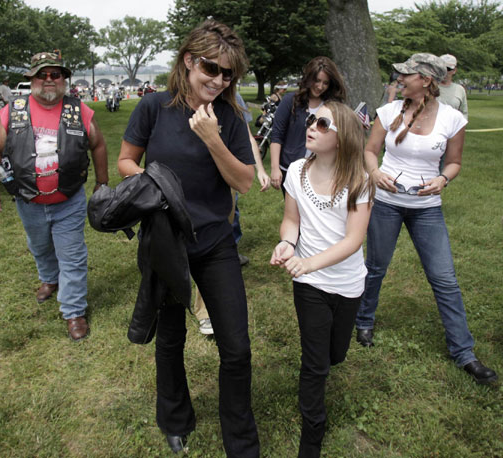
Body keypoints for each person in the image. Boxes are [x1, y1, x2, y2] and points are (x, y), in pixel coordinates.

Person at [118, 19, 260, 456]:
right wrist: (152, 186)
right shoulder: (153, 108)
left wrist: (213, 139)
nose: (218, 80)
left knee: (236, 347)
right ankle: (175, 419)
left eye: (228, 74)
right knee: (171, 338)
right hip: (165, 241)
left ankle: (240, 440)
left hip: (215, 241)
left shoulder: (231, 117)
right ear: (188, 61)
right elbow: (126, 160)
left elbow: (244, 183)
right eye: (210, 68)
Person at [354, 53, 497, 385]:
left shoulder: (451, 119)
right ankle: (364, 320)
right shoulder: (389, 111)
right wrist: (374, 173)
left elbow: (454, 162)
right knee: (375, 267)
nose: (400, 78)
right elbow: (369, 150)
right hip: (387, 202)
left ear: (427, 81)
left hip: (427, 208)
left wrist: (443, 179)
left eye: (408, 75)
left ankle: (464, 353)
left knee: (444, 279)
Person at [0, 52, 109, 341]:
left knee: (72, 255)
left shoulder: (80, 110)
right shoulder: (13, 111)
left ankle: (74, 310)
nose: (49, 80)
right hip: (28, 201)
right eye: (43, 74)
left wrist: (102, 183)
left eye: (56, 74)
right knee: (39, 246)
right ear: (32, 78)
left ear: (63, 79)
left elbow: (98, 145)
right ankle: (50, 279)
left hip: (69, 199)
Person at [271, 101, 373, 457]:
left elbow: (353, 240)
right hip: (309, 285)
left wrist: (311, 263)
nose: (311, 125)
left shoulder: (359, 180)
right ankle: (312, 435)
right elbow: (292, 221)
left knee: (335, 355)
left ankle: (328, 359)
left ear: (343, 137)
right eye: (312, 119)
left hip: (346, 284)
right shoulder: (296, 170)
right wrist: (287, 243)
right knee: (315, 363)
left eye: (323, 123)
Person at [195, 92, 270, 336]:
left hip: (222, 187)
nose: (218, 79)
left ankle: (206, 311)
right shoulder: (173, 100)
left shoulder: (232, 99)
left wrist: (259, 168)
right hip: (183, 188)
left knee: (213, 248)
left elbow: (247, 137)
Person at [269, 57, 347, 193]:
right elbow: (276, 135)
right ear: (309, 78)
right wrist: (275, 168)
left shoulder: (333, 106)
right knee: (293, 211)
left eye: (325, 83)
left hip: (322, 170)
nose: (320, 86)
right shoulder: (290, 101)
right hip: (290, 168)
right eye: (317, 80)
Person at [438, 54, 468, 120]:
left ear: (454, 70)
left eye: (448, 69)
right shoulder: (429, 87)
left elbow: (464, 113)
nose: (444, 71)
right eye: (442, 68)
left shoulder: (460, 89)